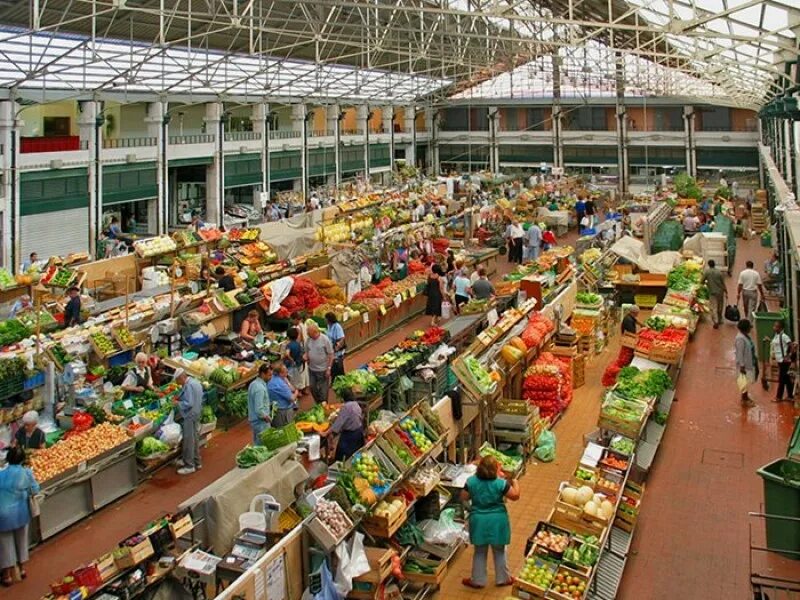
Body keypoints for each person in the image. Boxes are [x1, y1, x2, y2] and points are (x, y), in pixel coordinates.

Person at [460, 455, 519, 589]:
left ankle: (478, 580)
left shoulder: (471, 482)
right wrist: (515, 482)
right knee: (499, 550)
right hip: (498, 521)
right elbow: (515, 496)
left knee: (480, 551)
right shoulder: (500, 483)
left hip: (478, 520)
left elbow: (463, 497)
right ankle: (503, 578)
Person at [0, 446, 39, 586]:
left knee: (5, 544)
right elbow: (35, 489)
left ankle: (7, 575)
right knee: (21, 540)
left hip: (2, 515)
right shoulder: (26, 473)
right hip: (20, 513)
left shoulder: (1, 474)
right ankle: (22, 569)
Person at [174, 368, 204, 475]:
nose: (178, 383)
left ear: (181, 377)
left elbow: (189, 403)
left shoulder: (189, 386)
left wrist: (178, 404)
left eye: (177, 381)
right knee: (194, 438)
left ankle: (189, 465)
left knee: (188, 440)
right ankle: (197, 461)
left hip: (190, 416)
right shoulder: (195, 382)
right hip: (196, 413)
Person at [324, 389, 364, 461]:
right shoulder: (356, 404)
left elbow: (338, 423)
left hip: (350, 436)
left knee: (343, 456)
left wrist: (326, 433)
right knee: (357, 453)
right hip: (359, 431)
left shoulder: (346, 407)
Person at [305, 323, 334, 404]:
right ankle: (318, 403)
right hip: (312, 369)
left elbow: (331, 354)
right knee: (312, 387)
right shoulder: (308, 339)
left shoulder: (325, 340)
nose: (307, 334)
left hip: (323, 370)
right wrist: (306, 356)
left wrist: (329, 368)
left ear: (314, 332)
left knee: (323, 392)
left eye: (308, 332)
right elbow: (307, 351)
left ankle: (324, 405)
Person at [247, 364, 273, 445]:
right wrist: (267, 417)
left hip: (255, 421)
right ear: (262, 374)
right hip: (260, 422)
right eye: (269, 375)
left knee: (258, 442)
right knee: (264, 444)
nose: (271, 377)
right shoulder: (260, 389)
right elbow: (259, 409)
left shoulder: (254, 383)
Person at [734, 319, 757, 407]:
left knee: (746, 381)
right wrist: (742, 366)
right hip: (744, 364)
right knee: (744, 382)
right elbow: (740, 353)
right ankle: (744, 399)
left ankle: (745, 397)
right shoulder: (740, 339)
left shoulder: (745, 336)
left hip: (748, 362)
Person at [268, 363, 298, 427]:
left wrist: (285, 379)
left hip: (275, 409)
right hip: (283, 411)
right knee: (286, 428)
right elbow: (292, 398)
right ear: (280, 373)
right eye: (286, 371)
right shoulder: (280, 384)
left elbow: (291, 388)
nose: (287, 371)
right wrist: (296, 392)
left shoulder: (272, 378)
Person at [770, 321, 794, 403]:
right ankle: (790, 396)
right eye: (774, 326)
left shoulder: (784, 336)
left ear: (781, 328)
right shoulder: (776, 336)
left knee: (781, 379)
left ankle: (778, 397)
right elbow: (776, 345)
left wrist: (789, 355)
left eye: (776, 327)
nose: (774, 328)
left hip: (784, 361)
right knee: (786, 378)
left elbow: (792, 346)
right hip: (779, 360)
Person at [702, 259, 727, 329]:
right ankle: (720, 319)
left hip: (712, 292)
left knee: (713, 307)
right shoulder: (719, 272)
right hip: (720, 291)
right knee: (720, 306)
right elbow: (723, 283)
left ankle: (715, 321)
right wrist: (726, 291)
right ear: (714, 264)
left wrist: (706, 283)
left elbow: (702, 280)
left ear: (709, 265)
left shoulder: (707, 272)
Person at [283, 327, 306, 391]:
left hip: (291, 366)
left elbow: (287, 354)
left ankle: (294, 394)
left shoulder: (289, 345)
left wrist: (291, 359)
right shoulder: (298, 344)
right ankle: (297, 392)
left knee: (290, 382)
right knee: (296, 380)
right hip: (298, 365)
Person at [325, 312, 347, 380]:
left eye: (325, 319)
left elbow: (342, 338)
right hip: (331, 349)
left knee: (338, 367)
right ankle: (334, 379)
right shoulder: (329, 325)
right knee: (333, 366)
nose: (325, 320)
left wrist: (337, 348)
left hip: (337, 350)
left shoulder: (337, 326)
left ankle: (341, 380)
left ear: (329, 319)